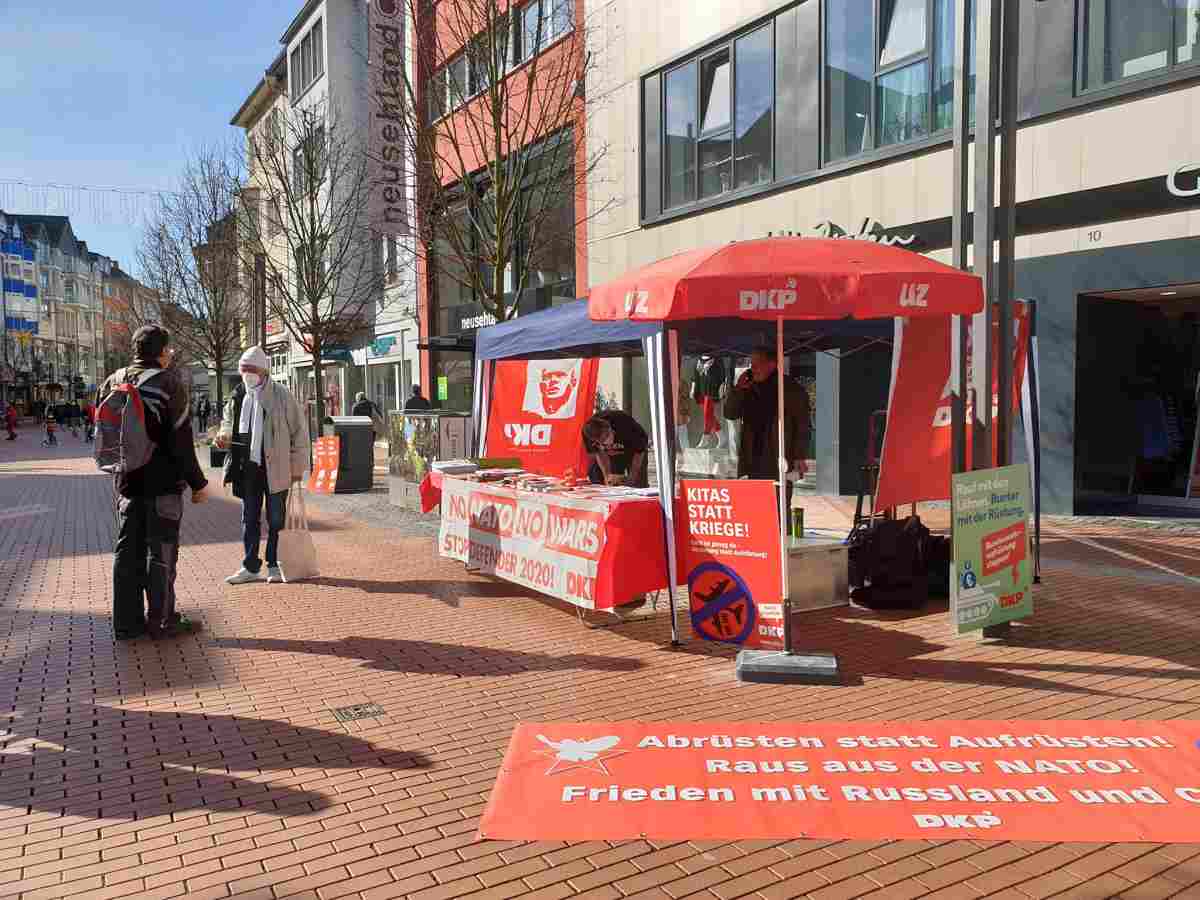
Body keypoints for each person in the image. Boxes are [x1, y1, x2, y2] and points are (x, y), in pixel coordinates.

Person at [99, 324, 209, 640]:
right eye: (168, 350)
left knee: (127, 552)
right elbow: (181, 443)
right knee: (161, 553)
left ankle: (126, 624)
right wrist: (198, 483)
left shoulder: (112, 381)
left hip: (125, 482)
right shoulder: (168, 384)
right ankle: (162, 620)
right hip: (162, 485)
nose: (170, 354)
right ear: (161, 352)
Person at [216, 346, 310, 585]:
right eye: (243, 370)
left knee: (277, 519)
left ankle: (274, 564)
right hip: (247, 467)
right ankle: (250, 565)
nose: (247, 375)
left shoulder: (281, 395)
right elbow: (227, 422)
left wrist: (298, 467)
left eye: (251, 370)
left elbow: (299, 433)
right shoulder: (238, 395)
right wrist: (224, 434)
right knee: (249, 518)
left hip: (277, 468)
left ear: (264, 371)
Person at [723, 346, 809, 511]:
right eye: (751, 363)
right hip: (752, 455)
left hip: (779, 455)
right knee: (753, 505)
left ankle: (780, 533)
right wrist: (738, 390)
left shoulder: (790, 388)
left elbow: (803, 424)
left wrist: (799, 456)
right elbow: (730, 414)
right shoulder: (747, 387)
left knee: (779, 505)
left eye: (757, 364)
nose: (752, 368)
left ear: (772, 364)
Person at [582, 410, 649, 487]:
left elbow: (639, 452)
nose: (607, 439)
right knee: (609, 481)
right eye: (603, 440)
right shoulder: (588, 434)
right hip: (611, 454)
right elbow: (599, 454)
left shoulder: (625, 424)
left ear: (609, 427)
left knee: (638, 483)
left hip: (634, 450)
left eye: (608, 435)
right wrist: (607, 477)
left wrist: (631, 479)